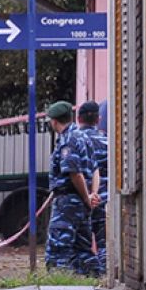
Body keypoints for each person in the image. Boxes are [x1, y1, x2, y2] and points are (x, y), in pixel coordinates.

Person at [44, 100, 100, 276]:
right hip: (81, 202)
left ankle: (58, 282)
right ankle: (93, 278)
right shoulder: (84, 137)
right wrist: (92, 195)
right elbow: (95, 169)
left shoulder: (68, 140)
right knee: (82, 246)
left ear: (54, 121)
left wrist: (86, 197)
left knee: (58, 246)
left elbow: (74, 173)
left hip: (68, 201)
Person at [78, 100, 108, 274]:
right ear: (98, 119)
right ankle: (104, 272)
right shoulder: (107, 141)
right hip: (103, 199)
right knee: (103, 240)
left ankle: (85, 273)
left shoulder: (75, 140)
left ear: (79, 118)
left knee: (82, 241)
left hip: (82, 199)